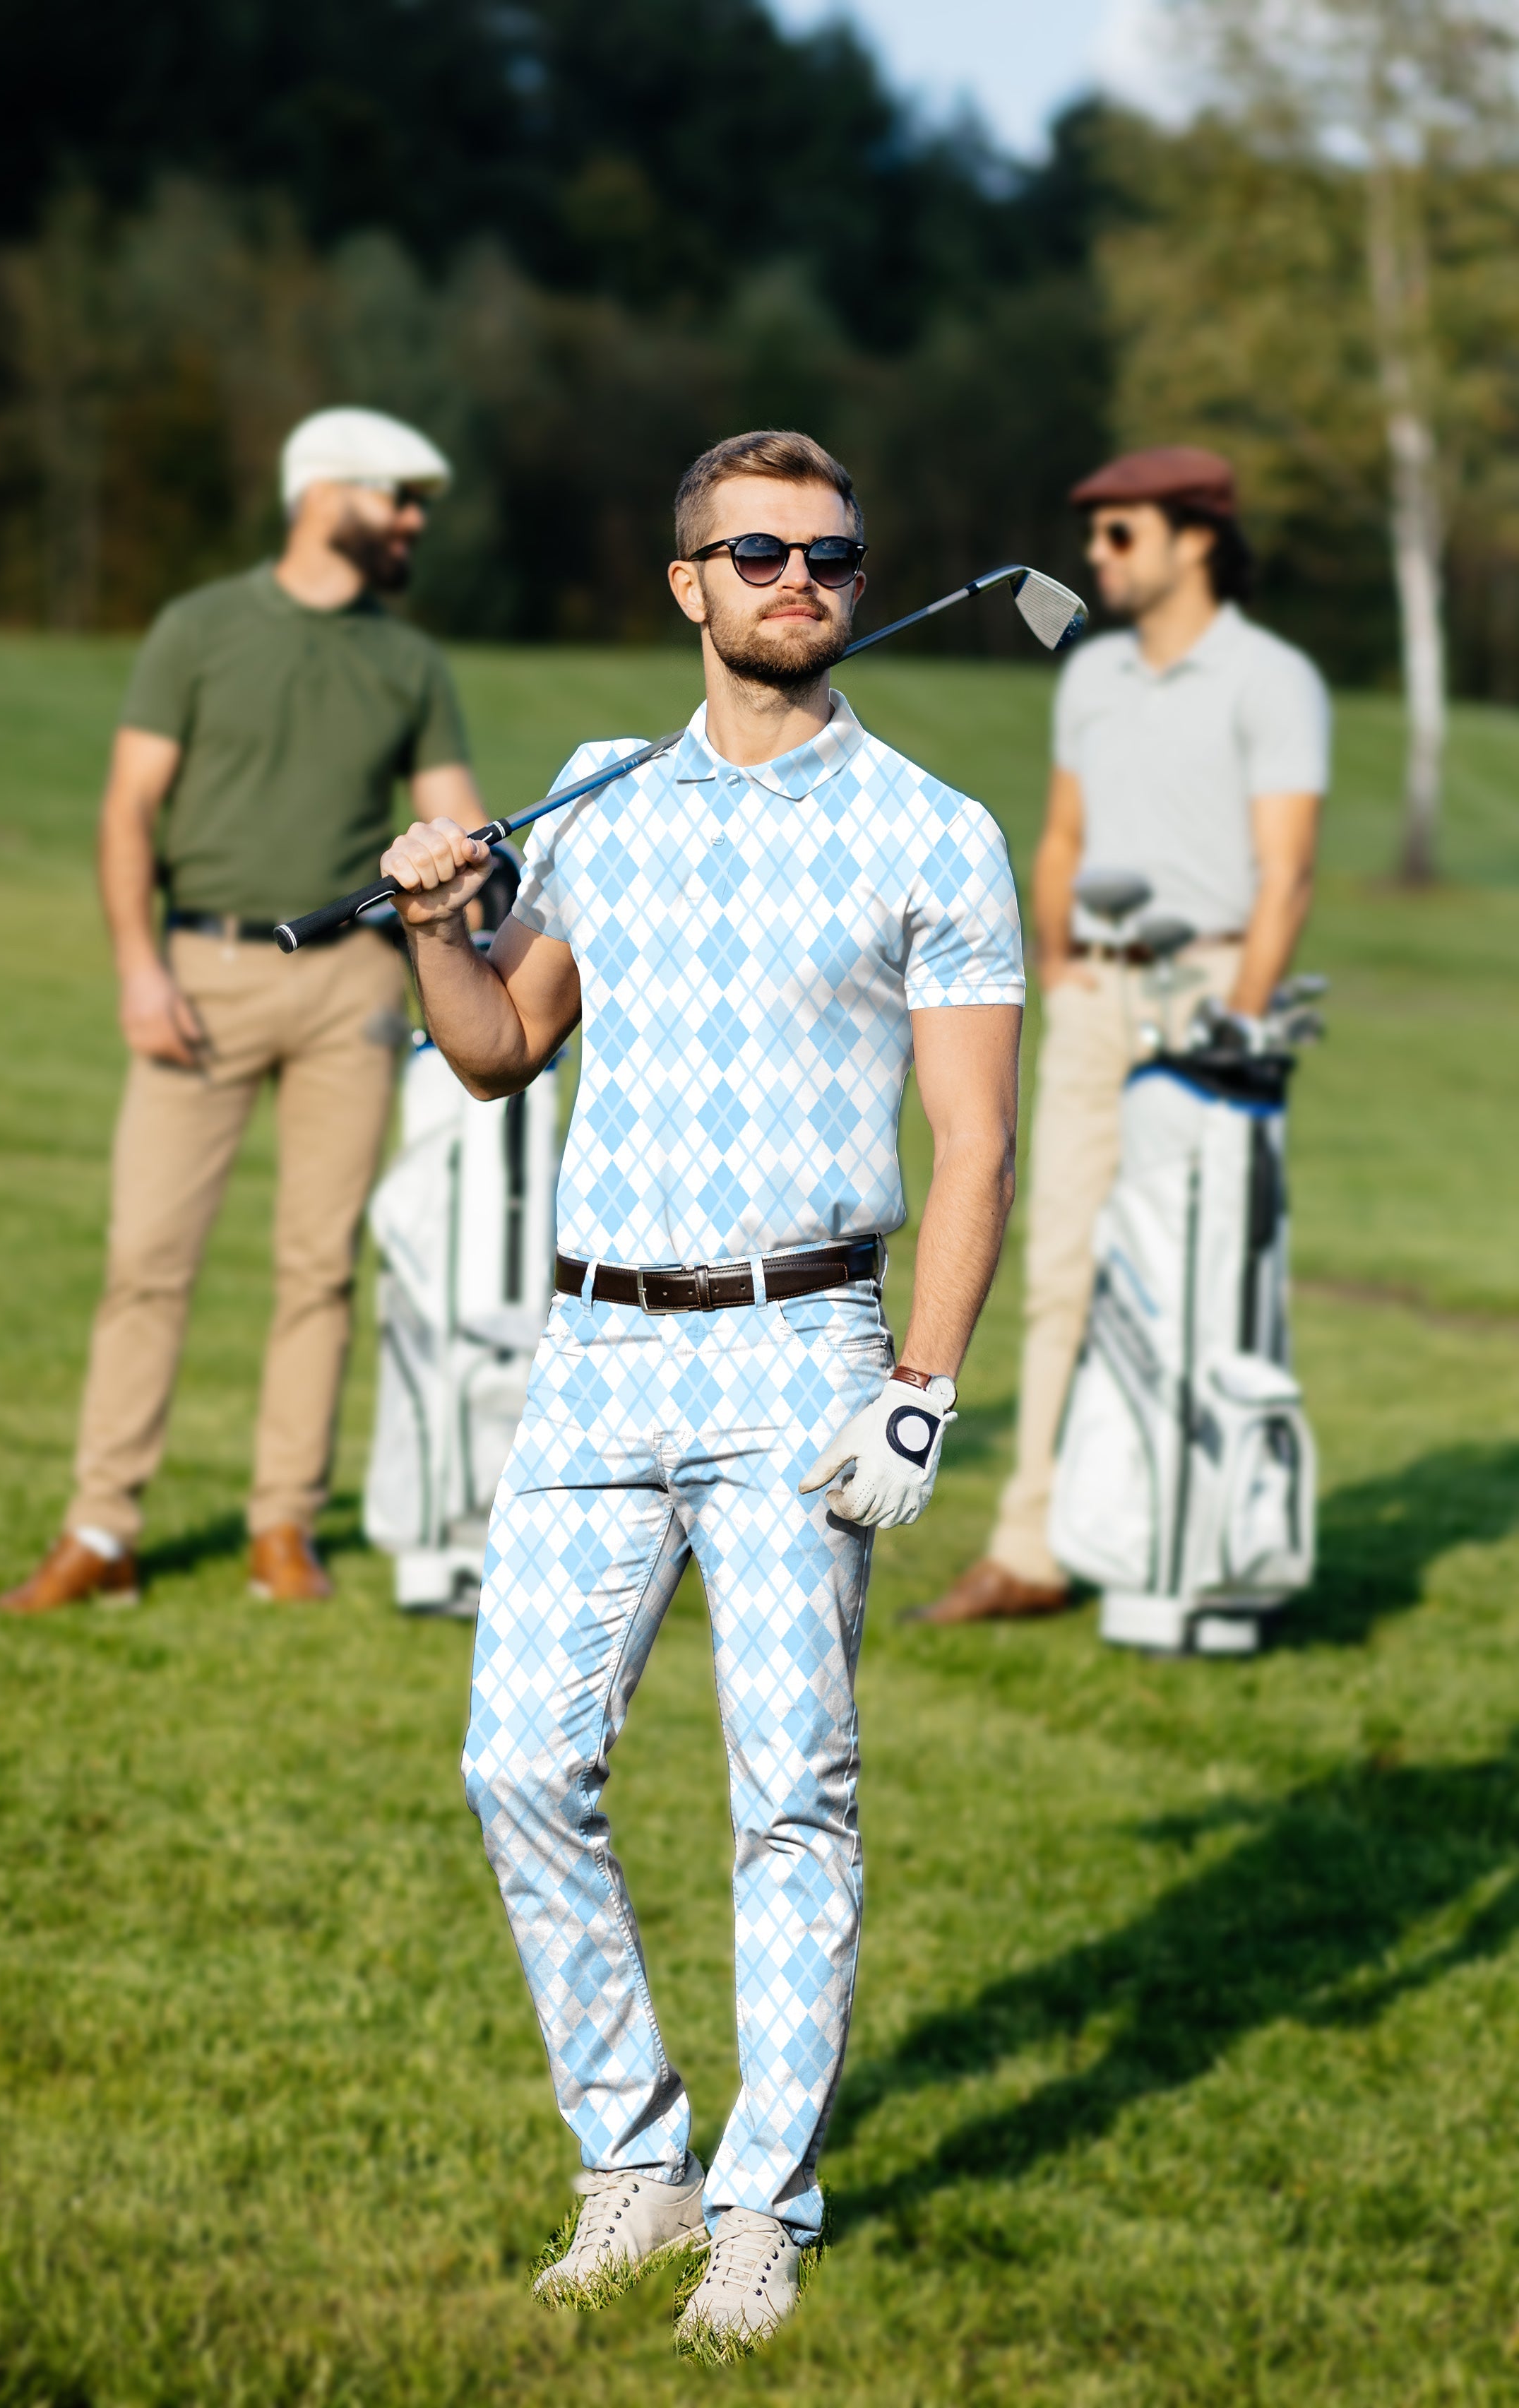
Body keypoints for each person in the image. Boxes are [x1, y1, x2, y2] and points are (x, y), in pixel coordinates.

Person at [379, 429, 1023, 2354]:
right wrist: (433, 923)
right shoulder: (597, 800)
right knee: (517, 1761)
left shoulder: (933, 829)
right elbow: (497, 1047)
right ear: (689, 586)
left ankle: (761, 2205)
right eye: (756, 552)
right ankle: (633, 2158)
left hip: (801, 1349)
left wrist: (922, 1385)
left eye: (830, 553)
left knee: (789, 1790)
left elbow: (977, 1141)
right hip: (597, 1351)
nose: (798, 578)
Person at [0, 407, 487, 1614]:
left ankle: (283, 1530)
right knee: (146, 1258)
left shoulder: (410, 662)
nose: (413, 522)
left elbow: (461, 820)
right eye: (397, 498)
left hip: (353, 987)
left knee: (319, 1267)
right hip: (200, 972)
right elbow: (129, 809)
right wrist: (138, 969)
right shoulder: (198, 628)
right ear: (323, 494)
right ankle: (102, 1529)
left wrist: (478, 890)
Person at [913, 444, 1329, 1626]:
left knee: (1197, 1280)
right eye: (1093, 533)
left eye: (1121, 532)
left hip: (1212, 996)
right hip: (1096, 998)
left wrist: (1239, 1022)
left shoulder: (1273, 679)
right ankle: (1033, 1547)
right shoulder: (1091, 676)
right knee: (1060, 1272)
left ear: (1197, 539)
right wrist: (1060, 962)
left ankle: (1193, 1541)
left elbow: (1287, 874)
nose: (1096, 555)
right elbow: (1062, 837)